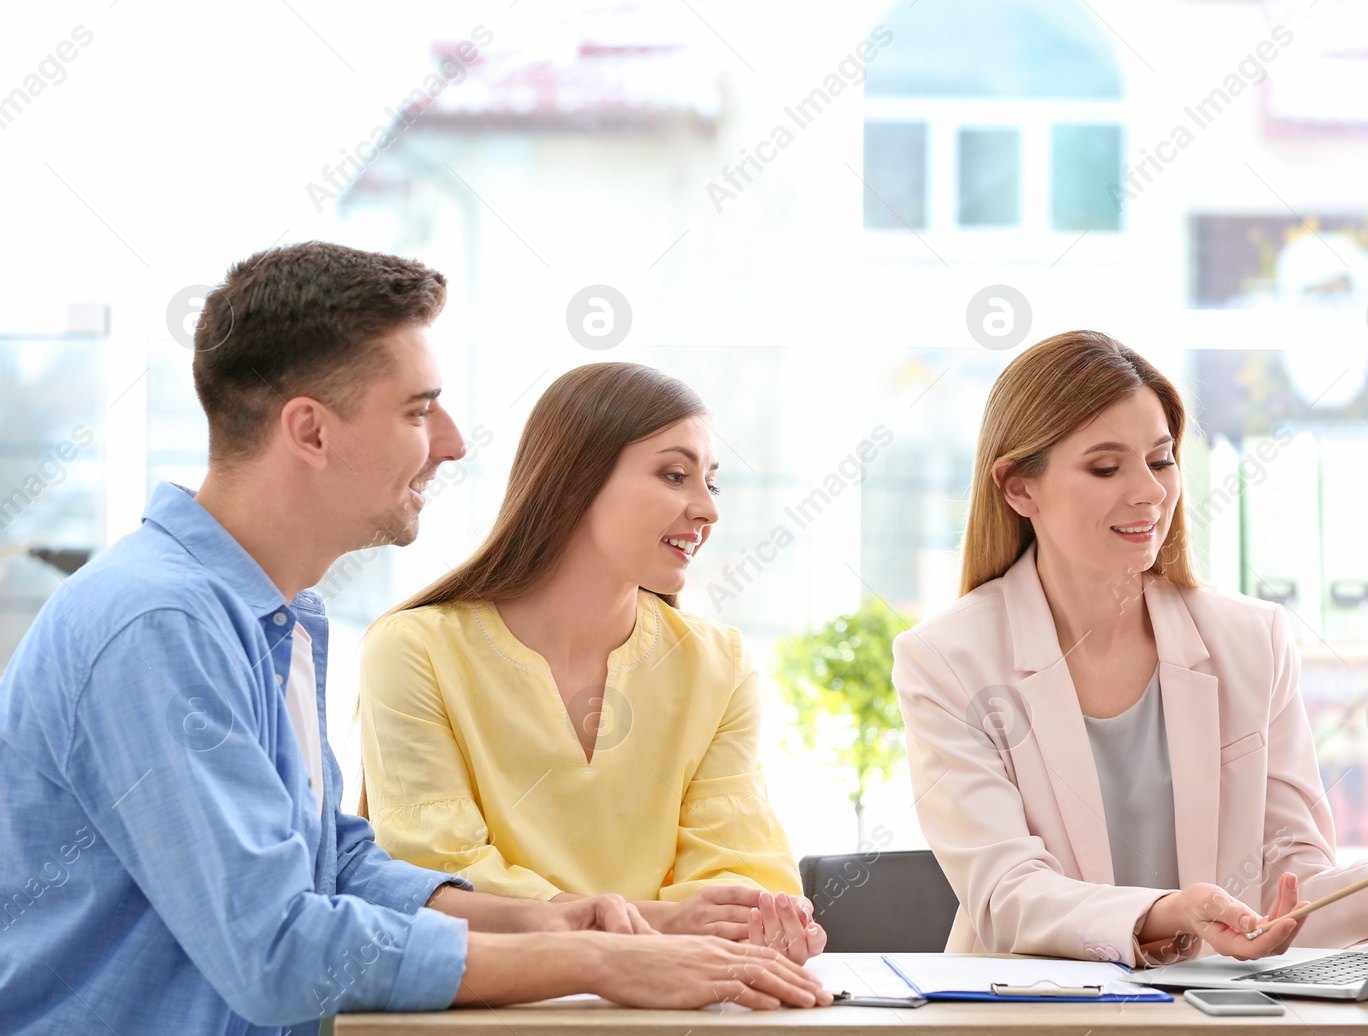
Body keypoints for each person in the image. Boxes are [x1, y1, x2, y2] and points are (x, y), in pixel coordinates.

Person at [0, 242, 827, 1036]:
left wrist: (547, 921)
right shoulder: (159, 626)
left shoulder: (275, 619)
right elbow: (276, 949)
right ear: (312, 432)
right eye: (419, 411)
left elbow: (335, 867)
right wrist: (591, 961)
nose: (455, 444)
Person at [893, 330, 1368, 968]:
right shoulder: (946, 660)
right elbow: (1008, 896)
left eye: (1161, 459)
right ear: (1018, 488)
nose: (1148, 491)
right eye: (1105, 467)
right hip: (1036, 1015)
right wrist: (1166, 913)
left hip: (1212, 1015)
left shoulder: (1252, 641)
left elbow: (1293, 886)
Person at [358, 362, 826, 964]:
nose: (706, 509)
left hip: (674, 1012)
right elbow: (435, 882)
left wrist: (747, 921)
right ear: (575, 479)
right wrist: (665, 924)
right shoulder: (413, 649)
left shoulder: (720, 664)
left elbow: (739, 872)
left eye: (713, 482)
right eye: (675, 474)